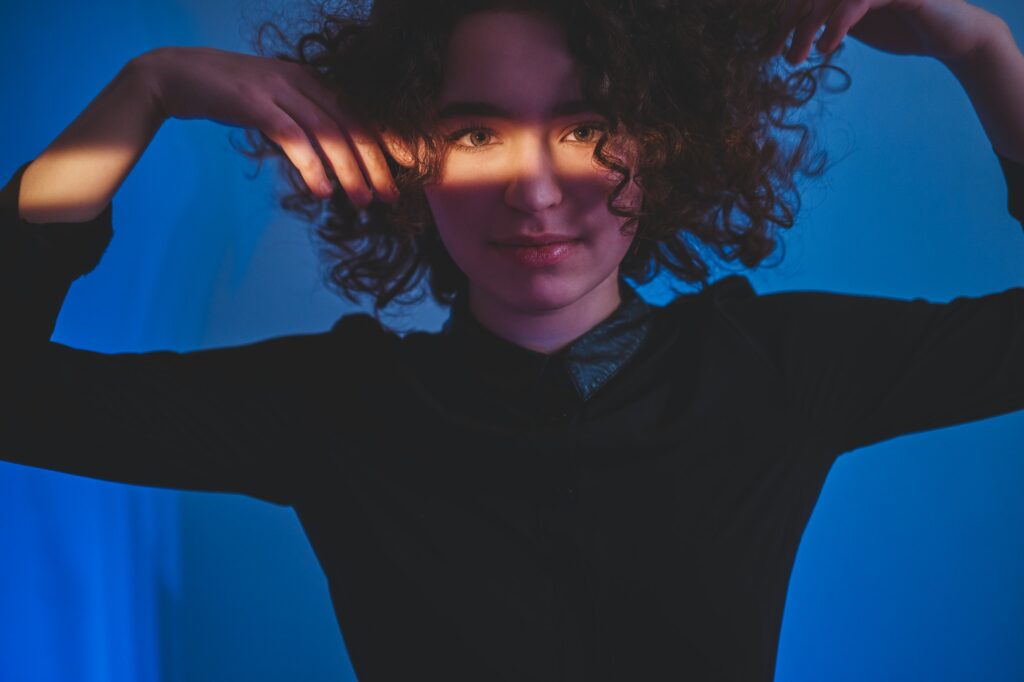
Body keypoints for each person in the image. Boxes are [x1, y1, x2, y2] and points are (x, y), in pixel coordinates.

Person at [3, 0, 1023, 680]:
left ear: (667, 144)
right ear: (404, 156)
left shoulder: (778, 369)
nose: (534, 190)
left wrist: (979, 46)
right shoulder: (334, 408)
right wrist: (139, 93)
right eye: (474, 136)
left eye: (586, 130)